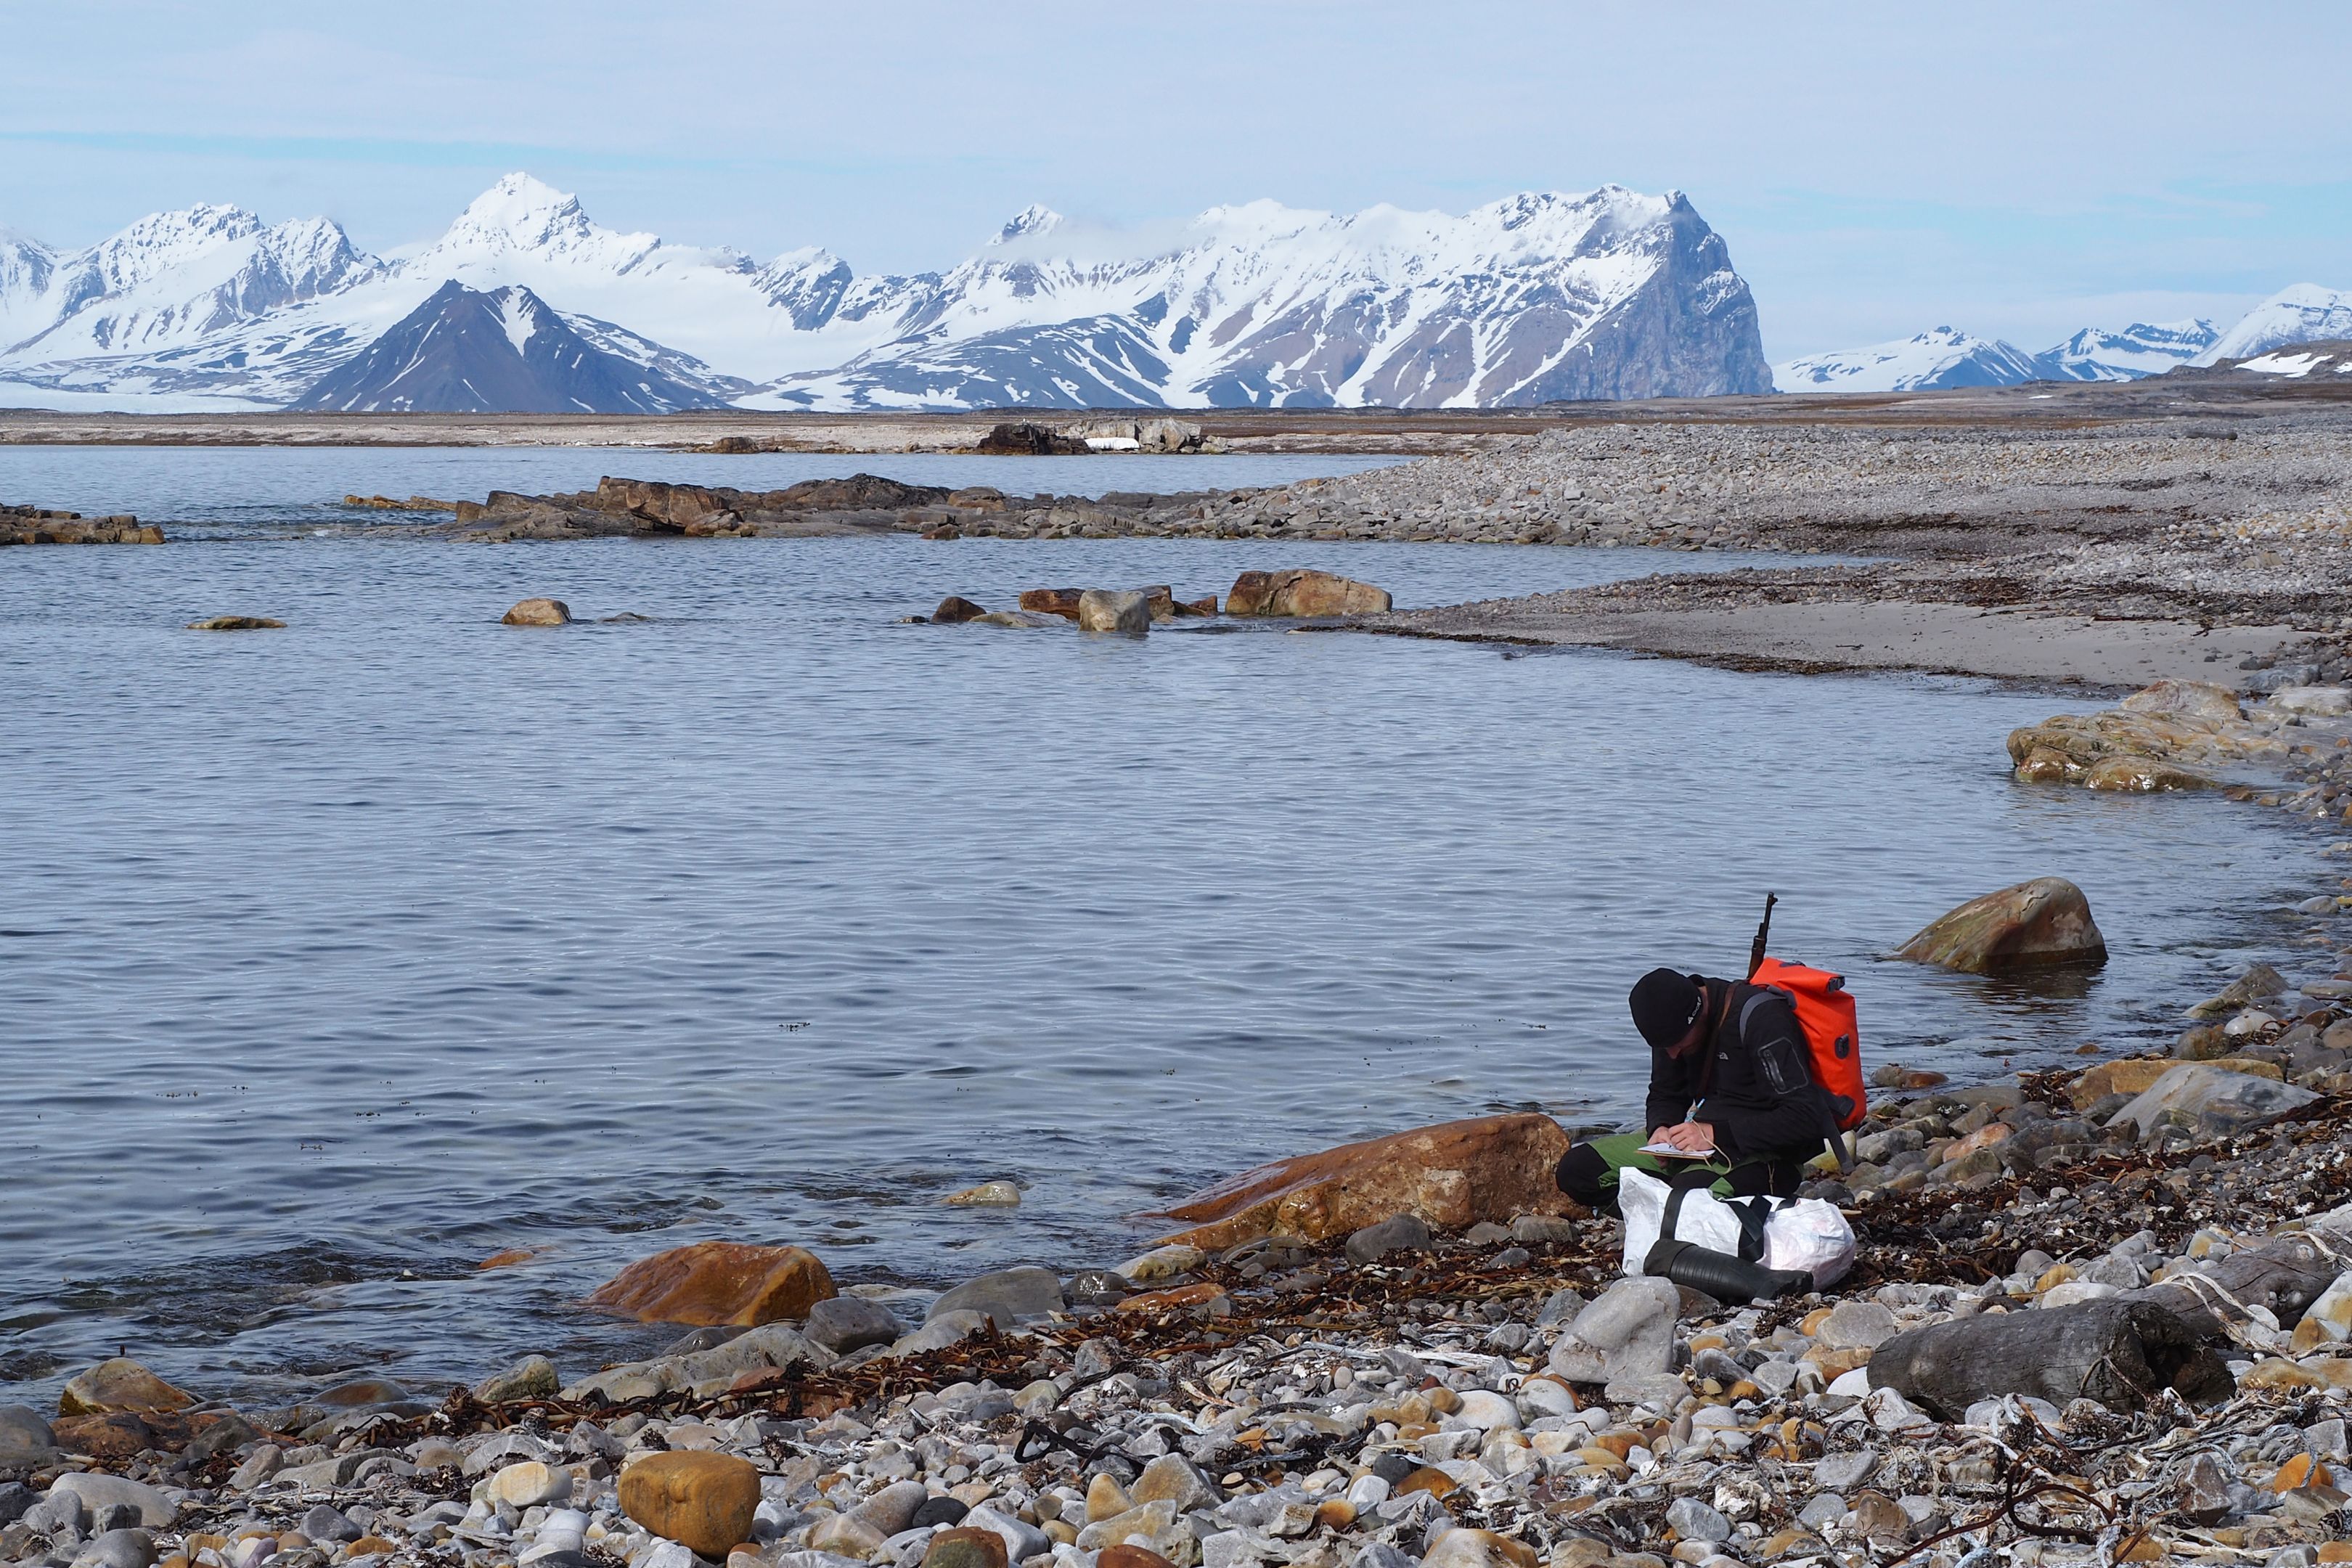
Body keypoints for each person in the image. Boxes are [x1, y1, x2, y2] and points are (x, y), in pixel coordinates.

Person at [1556, 965, 1838, 1212]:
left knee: (1686, 1195)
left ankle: (1680, 1214)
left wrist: (1716, 1134)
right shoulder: (1670, 1031)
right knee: (1575, 1172)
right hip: (1694, 1149)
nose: (1673, 1055)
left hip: (1767, 1155)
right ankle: (1660, 1218)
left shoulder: (1762, 1021)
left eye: (1680, 1045)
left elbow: (1806, 1117)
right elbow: (1665, 1093)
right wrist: (1660, 1128)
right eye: (1664, 1047)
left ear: (1700, 1014)